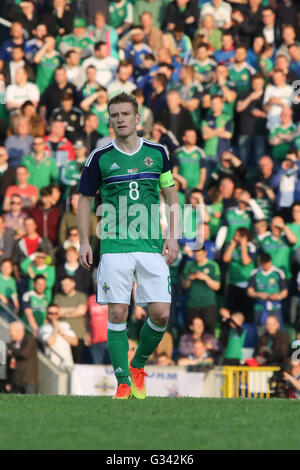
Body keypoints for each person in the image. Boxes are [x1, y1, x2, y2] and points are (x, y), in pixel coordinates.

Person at [77, 92, 179, 399]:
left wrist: (172, 236)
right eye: (115, 115)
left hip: (150, 246)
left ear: (137, 118)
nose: (120, 119)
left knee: (161, 313)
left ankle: (137, 365)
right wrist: (85, 241)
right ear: (109, 120)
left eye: (125, 114)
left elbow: (170, 195)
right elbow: (83, 201)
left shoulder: (158, 153)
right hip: (114, 246)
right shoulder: (99, 157)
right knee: (118, 312)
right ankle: (122, 382)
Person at [181, 244, 221, 334]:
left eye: (200, 254)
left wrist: (205, 278)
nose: (198, 256)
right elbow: (184, 285)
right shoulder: (189, 265)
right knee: (191, 330)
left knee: (209, 330)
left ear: (205, 253)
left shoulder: (213, 265)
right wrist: (190, 278)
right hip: (192, 304)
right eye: (196, 254)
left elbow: (217, 286)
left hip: (207, 303)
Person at [247, 252, 288, 330]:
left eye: (267, 263)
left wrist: (278, 296)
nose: (266, 266)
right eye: (263, 264)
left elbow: (285, 291)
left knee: (277, 330)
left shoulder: (278, 272)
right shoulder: (255, 273)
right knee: (261, 331)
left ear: (270, 262)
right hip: (260, 307)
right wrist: (258, 294)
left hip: (275, 306)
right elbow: (249, 291)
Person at [53, 276, 88, 364]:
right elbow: (57, 311)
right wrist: (74, 309)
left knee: (78, 363)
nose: (64, 287)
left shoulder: (81, 296)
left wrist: (64, 312)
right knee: (63, 363)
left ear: (73, 284)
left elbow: (81, 311)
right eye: (63, 285)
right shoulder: (58, 297)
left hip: (78, 335)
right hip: (63, 336)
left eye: (67, 284)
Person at [39, 303, 78, 368]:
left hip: (67, 363)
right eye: (51, 313)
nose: (53, 315)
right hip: (52, 365)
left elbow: (75, 342)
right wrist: (56, 329)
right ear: (47, 314)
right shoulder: (43, 328)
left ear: (58, 314)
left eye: (56, 313)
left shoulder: (65, 325)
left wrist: (61, 333)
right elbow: (49, 342)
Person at [6, 321, 38, 394]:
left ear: (18, 331)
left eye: (10, 331)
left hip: (28, 382)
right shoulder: (11, 344)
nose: (9, 334)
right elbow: (8, 365)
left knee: (28, 404)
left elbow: (24, 353)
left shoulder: (30, 340)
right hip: (15, 381)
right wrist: (8, 381)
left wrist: (11, 349)